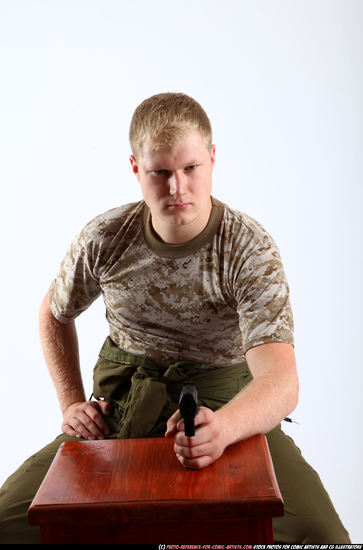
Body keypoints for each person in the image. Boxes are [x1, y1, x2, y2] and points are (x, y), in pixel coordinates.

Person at [0, 92, 350, 544]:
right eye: (160, 172)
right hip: (121, 412)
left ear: (212, 158)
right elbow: (54, 311)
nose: (176, 187)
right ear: (135, 169)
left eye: (190, 168)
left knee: (321, 536)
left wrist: (222, 428)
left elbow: (282, 382)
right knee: (8, 526)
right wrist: (71, 403)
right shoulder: (105, 238)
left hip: (229, 414)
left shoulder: (247, 248)